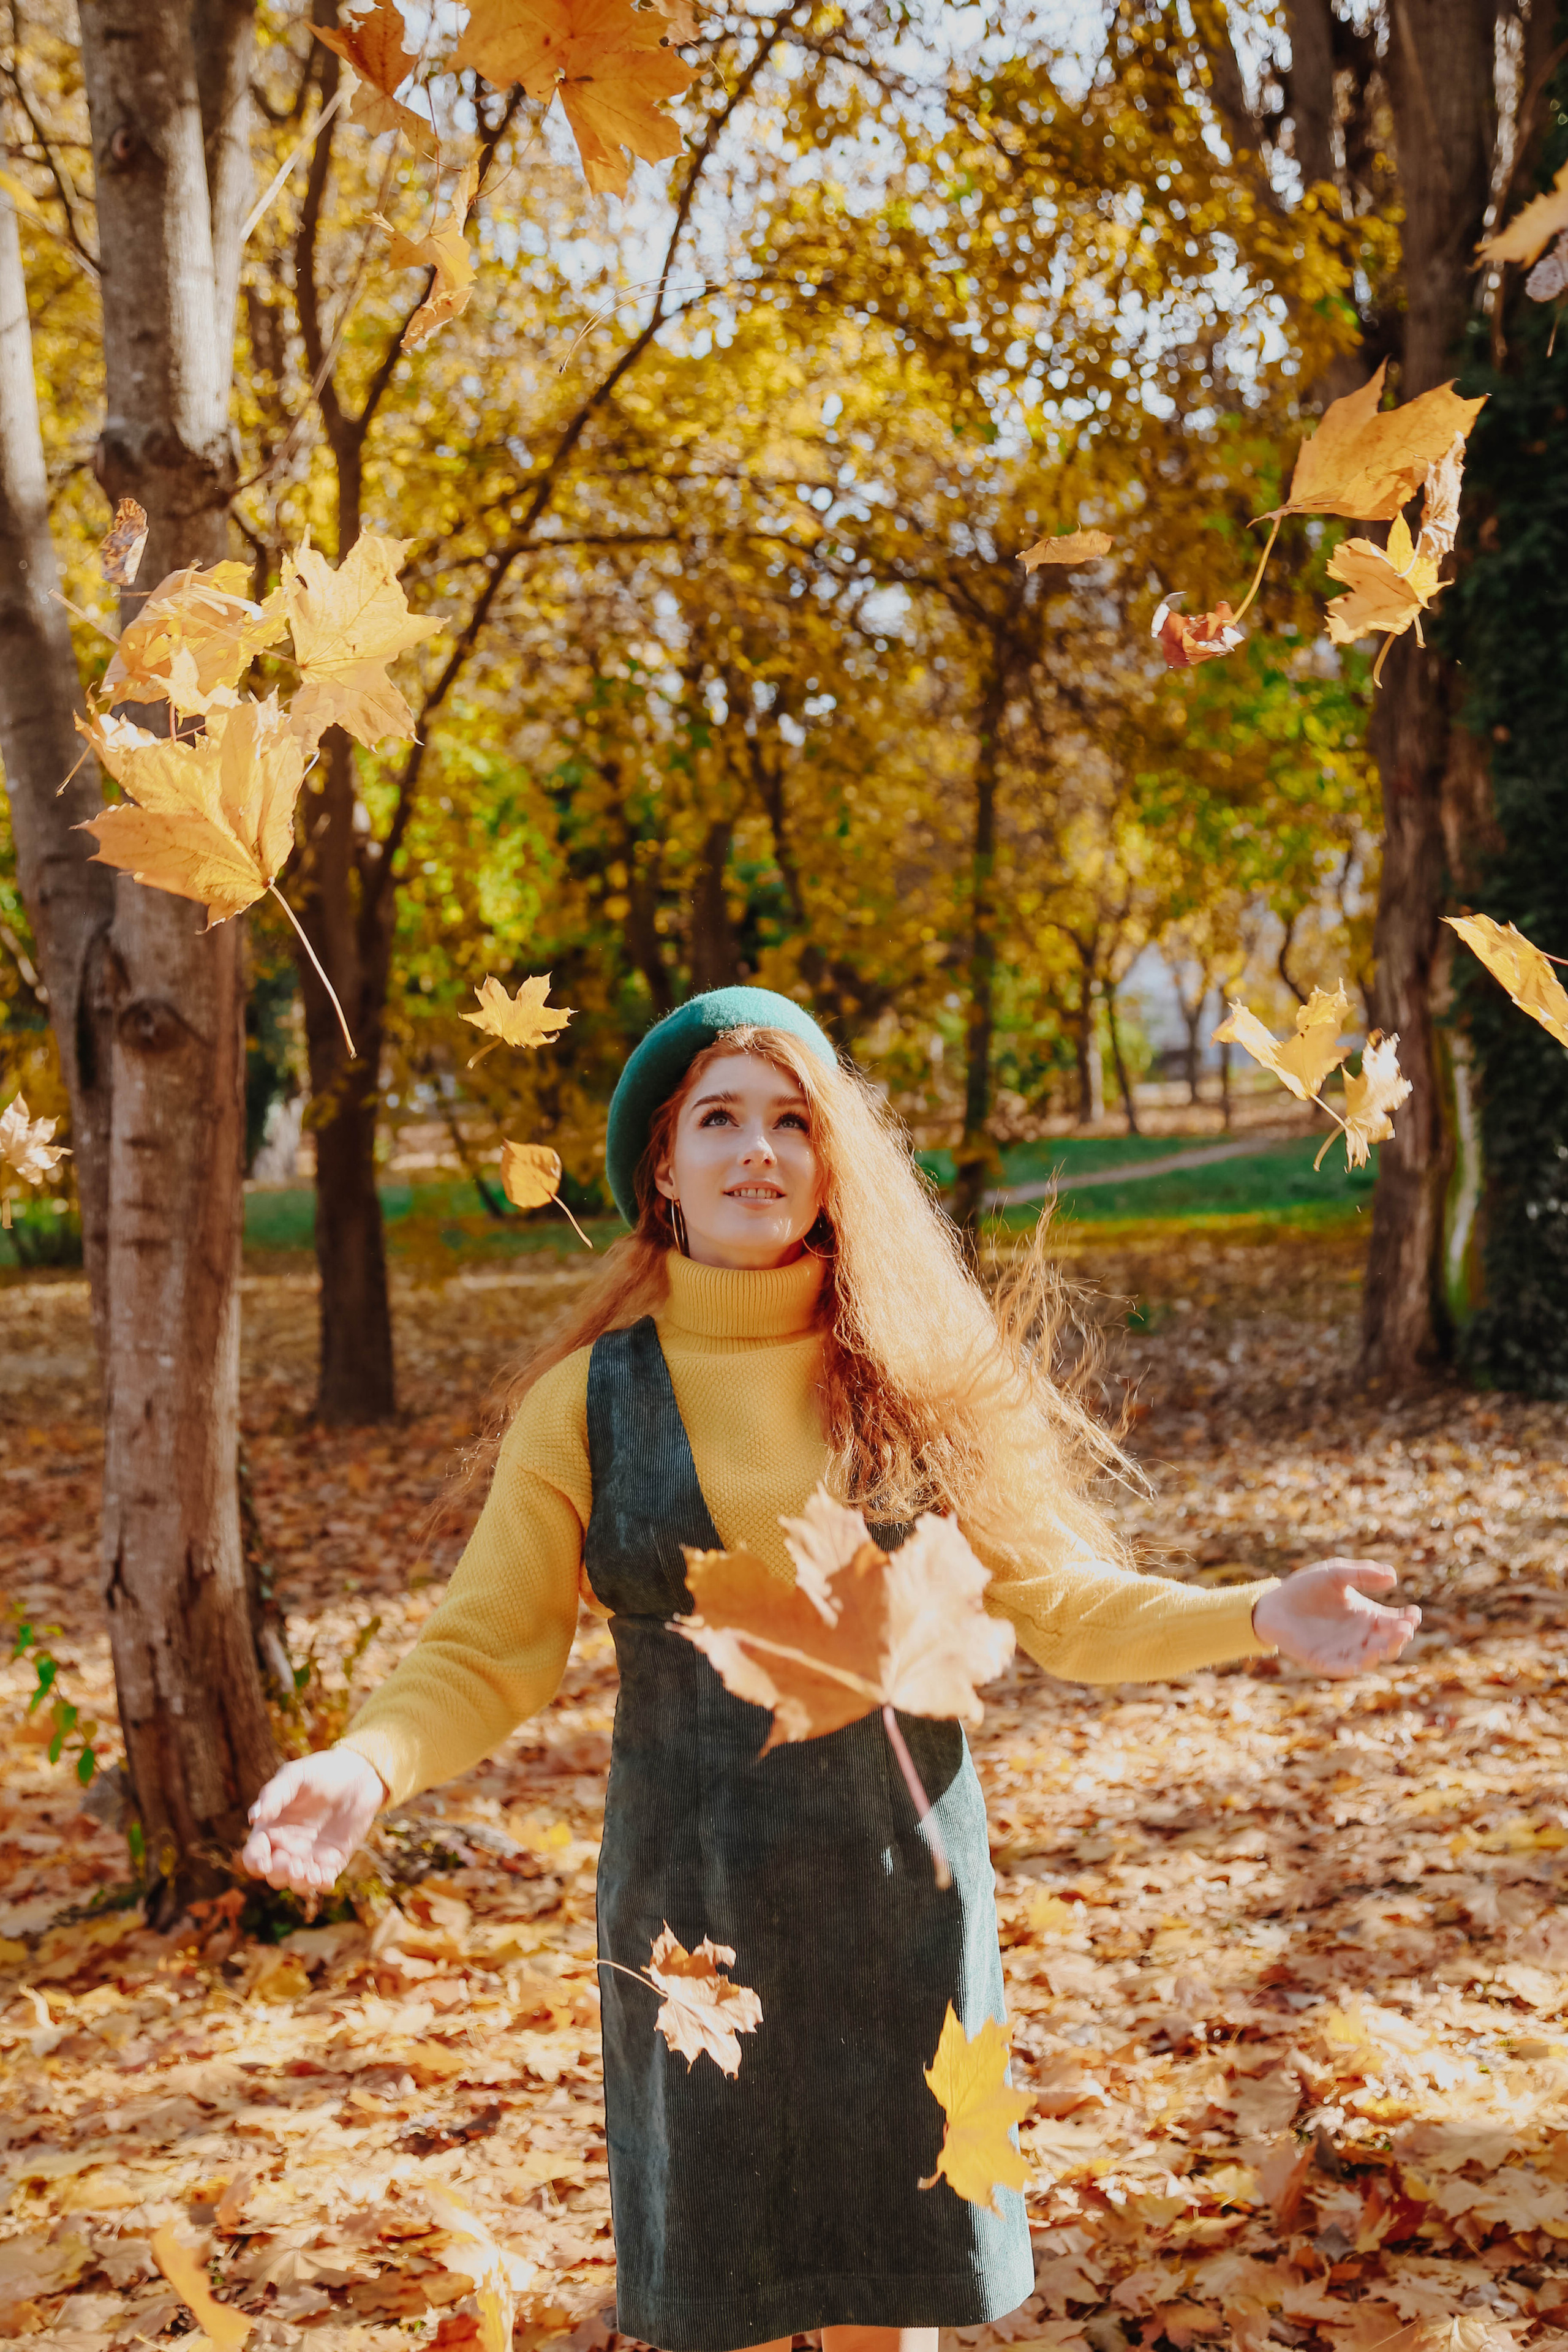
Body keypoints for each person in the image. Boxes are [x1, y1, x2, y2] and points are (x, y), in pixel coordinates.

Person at [243, 986, 1419, 2352]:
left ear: (832, 1161)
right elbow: (486, 1646)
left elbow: (1064, 1608)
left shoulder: (920, 1380)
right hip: (692, 1934)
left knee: (886, 2311)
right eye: (718, 1120)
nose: (758, 1149)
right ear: (662, 1171)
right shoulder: (586, 1404)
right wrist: (367, 1762)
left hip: (900, 1913)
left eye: (793, 1121)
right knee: (727, 2305)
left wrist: (1257, 1612)